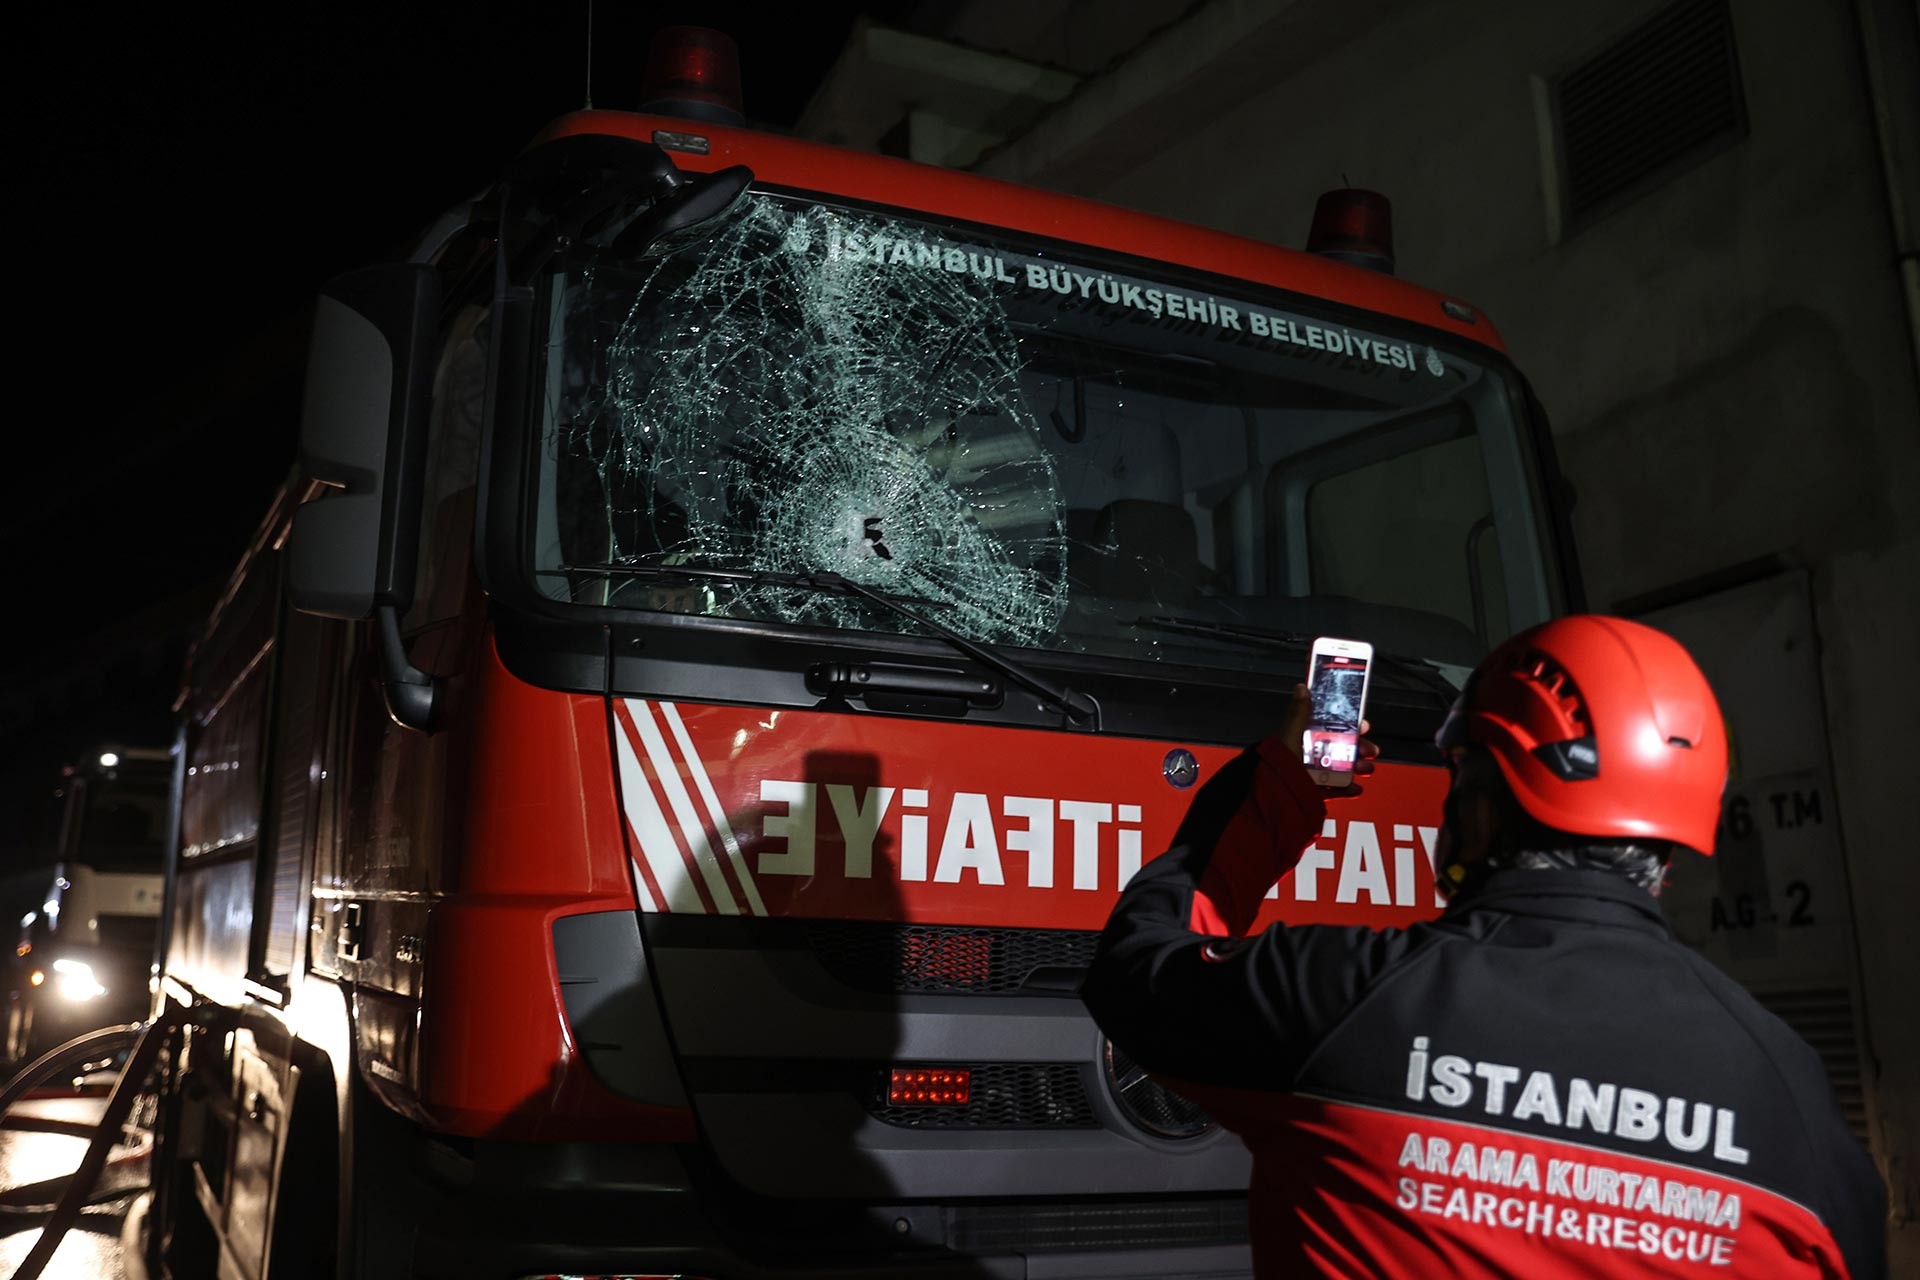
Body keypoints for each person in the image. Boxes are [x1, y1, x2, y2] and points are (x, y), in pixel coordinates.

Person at [1083, 615, 1885, 1278]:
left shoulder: (1340, 1001)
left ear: (1481, 804)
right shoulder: (1791, 1100)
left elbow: (1133, 969)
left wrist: (1284, 785)